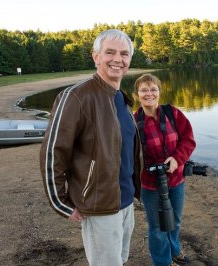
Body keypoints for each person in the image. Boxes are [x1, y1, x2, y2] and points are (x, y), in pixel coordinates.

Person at [39, 29, 143, 266]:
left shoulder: (120, 98)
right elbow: (53, 152)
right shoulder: (76, 96)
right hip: (98, 207)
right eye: (110, 52)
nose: (118, 59)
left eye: (124, 54)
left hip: (125, 202)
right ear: (96, 56)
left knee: (121, 260)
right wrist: (61, 203)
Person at [133, 74, 196, 266]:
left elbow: (188, 139)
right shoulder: (133, 122)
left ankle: (175, 251)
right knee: (157, 227)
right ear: (137, 94)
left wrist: (177, 159)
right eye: (144, 90)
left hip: (176, 180)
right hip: (150, 185)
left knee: (175, 221)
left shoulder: (173, 114)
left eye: (153, 89)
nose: (149, 94)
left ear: (159, 92)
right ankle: (163, 262)